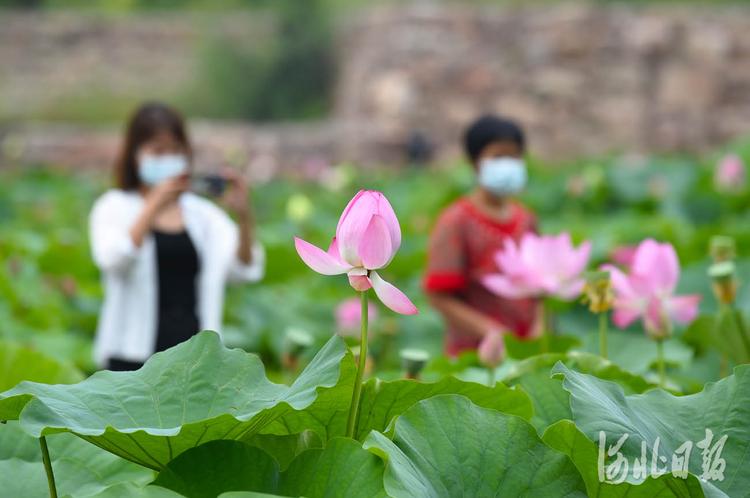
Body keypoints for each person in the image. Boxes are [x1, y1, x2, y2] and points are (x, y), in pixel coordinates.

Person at [89, 102, 265, 371]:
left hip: (194, 361)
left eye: (175, 150)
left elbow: (244, 269)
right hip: (130, 358)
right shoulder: (113, 206)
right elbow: (113, 260)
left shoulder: (203, 215)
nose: (168, 158)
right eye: (158, 151)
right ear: (135, 155)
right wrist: (152, 207)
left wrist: (244, 216)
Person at [423, 114, 539, 356]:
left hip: (527, 348)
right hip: (473, 353)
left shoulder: (527, 219)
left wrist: (539, 330)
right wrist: (490, 331)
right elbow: (438, 295)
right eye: (498, 156)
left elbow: (540, 287)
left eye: (514, 156)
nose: (508, 163)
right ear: (475, 162)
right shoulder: (455, 220)